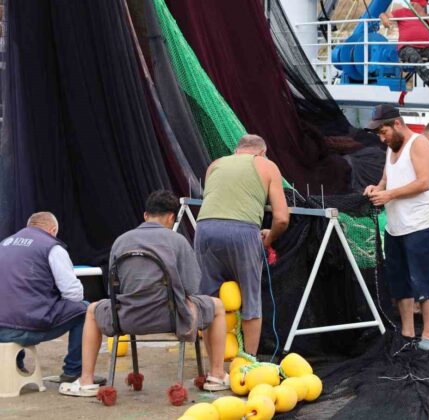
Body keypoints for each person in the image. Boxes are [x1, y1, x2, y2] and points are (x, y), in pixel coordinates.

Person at [59, 191, 230, 397]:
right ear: (170, 217)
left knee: (92, 310)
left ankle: (86, 381)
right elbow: (193, 287)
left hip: (126, 319)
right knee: (217, 306)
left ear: (145, 215)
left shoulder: (121, 241)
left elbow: (113, 290)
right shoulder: (177, 241)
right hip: (173, 319)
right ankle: (217, 374)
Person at [195, 135, 289, 356]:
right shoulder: (267, 165)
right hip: (243, 231)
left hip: (205, 228)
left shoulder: (215, 165)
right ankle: (248, 363)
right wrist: (270, 238)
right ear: (262, 152)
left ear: (236, 151)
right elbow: (282, 218)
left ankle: (214, 370)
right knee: (250, 302)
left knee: (209, 302)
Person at [364, 104, 429, 351]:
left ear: (397, 124)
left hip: (419, 225)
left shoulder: (419, 144)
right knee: (399, 284)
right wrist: (377, 188)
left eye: (383, 131)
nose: (381, 137)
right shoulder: (391, 148)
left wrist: (390, 195)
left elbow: (424, 182)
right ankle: (408, 331)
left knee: (423, 282)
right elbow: (386, 180)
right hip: (395, 227)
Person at [0, 212, 91, 384]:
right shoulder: (51, 247)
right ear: (53, 230)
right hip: (25, 329)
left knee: (13, 306)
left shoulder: (4, 244)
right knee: (86, 310)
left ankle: (15, 366)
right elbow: (73, 294)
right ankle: (73, 371)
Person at [380, 0, 429, 88]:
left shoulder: (425, 16)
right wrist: (383, 17)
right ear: (414, 4)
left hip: (423, 49)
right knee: (414, 56)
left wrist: (425, 15)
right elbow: (384, 15)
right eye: (422, 6)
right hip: (405, 48)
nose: (424, 7)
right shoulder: (402, 12)